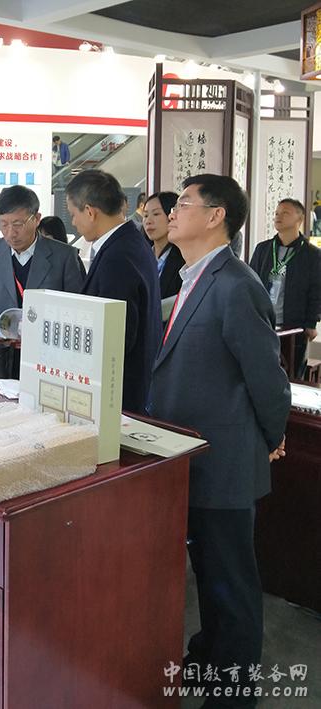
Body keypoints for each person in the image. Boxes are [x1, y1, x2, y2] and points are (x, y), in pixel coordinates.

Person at [148, 174, 291, 708]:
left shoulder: (236, 284)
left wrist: (270, 437)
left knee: (231, 585)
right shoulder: (193, 276)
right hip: (193, 453)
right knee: (209, 577)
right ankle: (209, 660)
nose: (172, 211)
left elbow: (268, 378)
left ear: (216, 216)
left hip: (226, 460)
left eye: (184, 203)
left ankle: (234, 693)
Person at [66, 169, 162, 414]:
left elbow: (117, 336)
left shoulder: (118, 256)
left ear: (90, 212)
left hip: (118, 393)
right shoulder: (131, 242)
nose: (73, 222)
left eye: (73, 214)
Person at [0, 185, 84, 327]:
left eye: (18, 224)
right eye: (4, 224)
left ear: (37, 219)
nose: (11, 233)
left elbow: (76, 309)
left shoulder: (64, 257)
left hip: (45, 339)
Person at [250, 198, 321, 378]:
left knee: (290, 375)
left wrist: (311, 323)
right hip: (263, 323)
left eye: (285, 213)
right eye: (276, 213)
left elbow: (316, 291)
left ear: (300, 219)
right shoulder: (263, 249)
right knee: (258, 372)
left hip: (294, 326)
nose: (278, 216)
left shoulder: (312, 254)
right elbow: (250, 284)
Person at [142, 191, 185, 302]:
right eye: (145, 215)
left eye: (156, 214)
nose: (148, 221)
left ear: (172, 216)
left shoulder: (184, 260)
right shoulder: (141, 256)